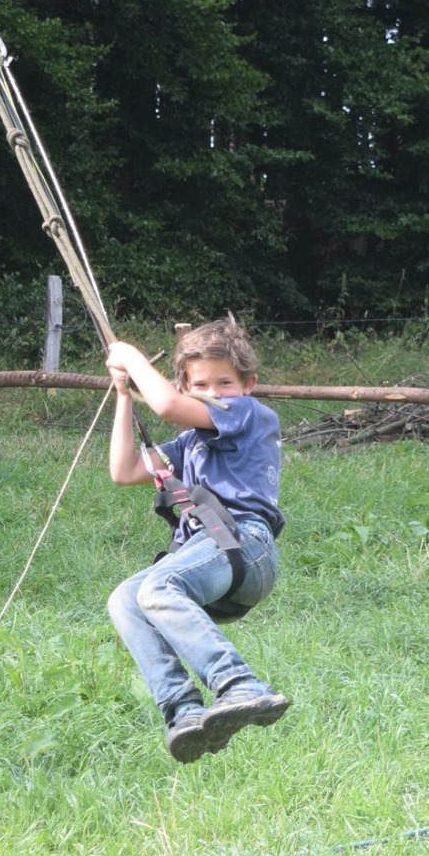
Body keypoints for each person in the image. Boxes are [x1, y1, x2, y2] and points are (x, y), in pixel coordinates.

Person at [105, 319, 289, 762]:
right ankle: (183, 710)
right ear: (187, 385)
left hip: (244, 544)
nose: (213, 392)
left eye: (224, 382)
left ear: (249, 384)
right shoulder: (190, 443)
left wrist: (129, 354)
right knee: (125, 599)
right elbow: (124, 470)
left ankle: (239, 685)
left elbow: (167, 405)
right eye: (200, 384)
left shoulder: (247, 413)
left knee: (158, 587)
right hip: (210, 555)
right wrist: (124, 396)